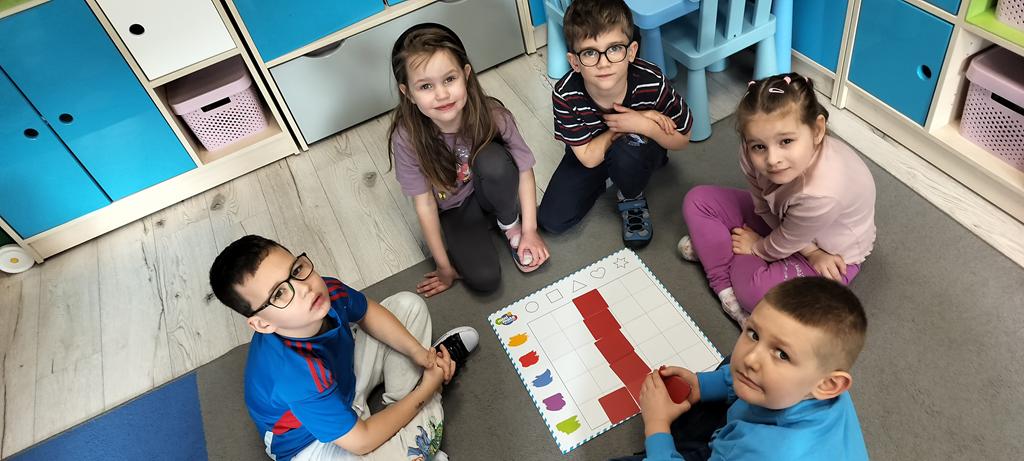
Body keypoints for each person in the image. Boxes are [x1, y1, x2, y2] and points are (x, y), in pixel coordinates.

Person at [209, 235, 479, 461]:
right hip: (312, 442)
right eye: (279, 294)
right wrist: (427, 390)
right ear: (262, 324)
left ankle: (412, 397)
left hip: (342, 381)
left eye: (296, 270)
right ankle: (430, 388)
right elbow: (361, 442)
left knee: (409, 306)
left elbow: (367, 312)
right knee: (408, 446)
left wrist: (417, 353)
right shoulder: (294, 376)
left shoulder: (322, 292)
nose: (303, 288)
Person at [680, 73, 876, 323]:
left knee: (756, 294)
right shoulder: (749, 152)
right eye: (759, 146)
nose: (772, 159)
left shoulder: (822, 193)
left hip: (828, 253)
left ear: (817, 130)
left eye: (786, 141)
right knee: (698, 199)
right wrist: (760, 244)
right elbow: (762, 205)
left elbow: (790, 239)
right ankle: (726, 291)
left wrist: (757, 247)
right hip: (783, 221)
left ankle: (717, 253)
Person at [618, 277, 869, 461]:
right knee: (735, 363)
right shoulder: (818, 382)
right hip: (759, 428)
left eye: (782, 354)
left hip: (746, 450)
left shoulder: (765, 452)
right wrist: (702, 386)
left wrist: (657, 426)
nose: (751, 358)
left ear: (829, 385)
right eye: (754, 333)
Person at [389, 23, 550, 296]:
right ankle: (487, 226)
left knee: (493, 162)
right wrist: (443, 266)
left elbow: (524, 169)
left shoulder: (494, 115)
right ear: (408, 94)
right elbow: (424, 204)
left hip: (492, 190)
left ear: (466, 74)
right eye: (426, 86)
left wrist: (530, 230)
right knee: (485, 281)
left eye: (449, 79)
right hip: (455, 208)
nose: (442, 94)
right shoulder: (407, 138)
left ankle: (508, 222)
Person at [538, 0, 692, 248]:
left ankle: (631, 196)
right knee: (552, 220)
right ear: (574, 62)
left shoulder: (651, 80)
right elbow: (588, 158)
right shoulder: (565, 94)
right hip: (591, 150)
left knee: (630, 152)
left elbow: (683, 137)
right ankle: (612, 174)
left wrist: (644, 125)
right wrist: (627, 124)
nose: (603, 62)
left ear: (631, 52)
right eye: (590, 52)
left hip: (640, 146)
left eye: (615, 48)